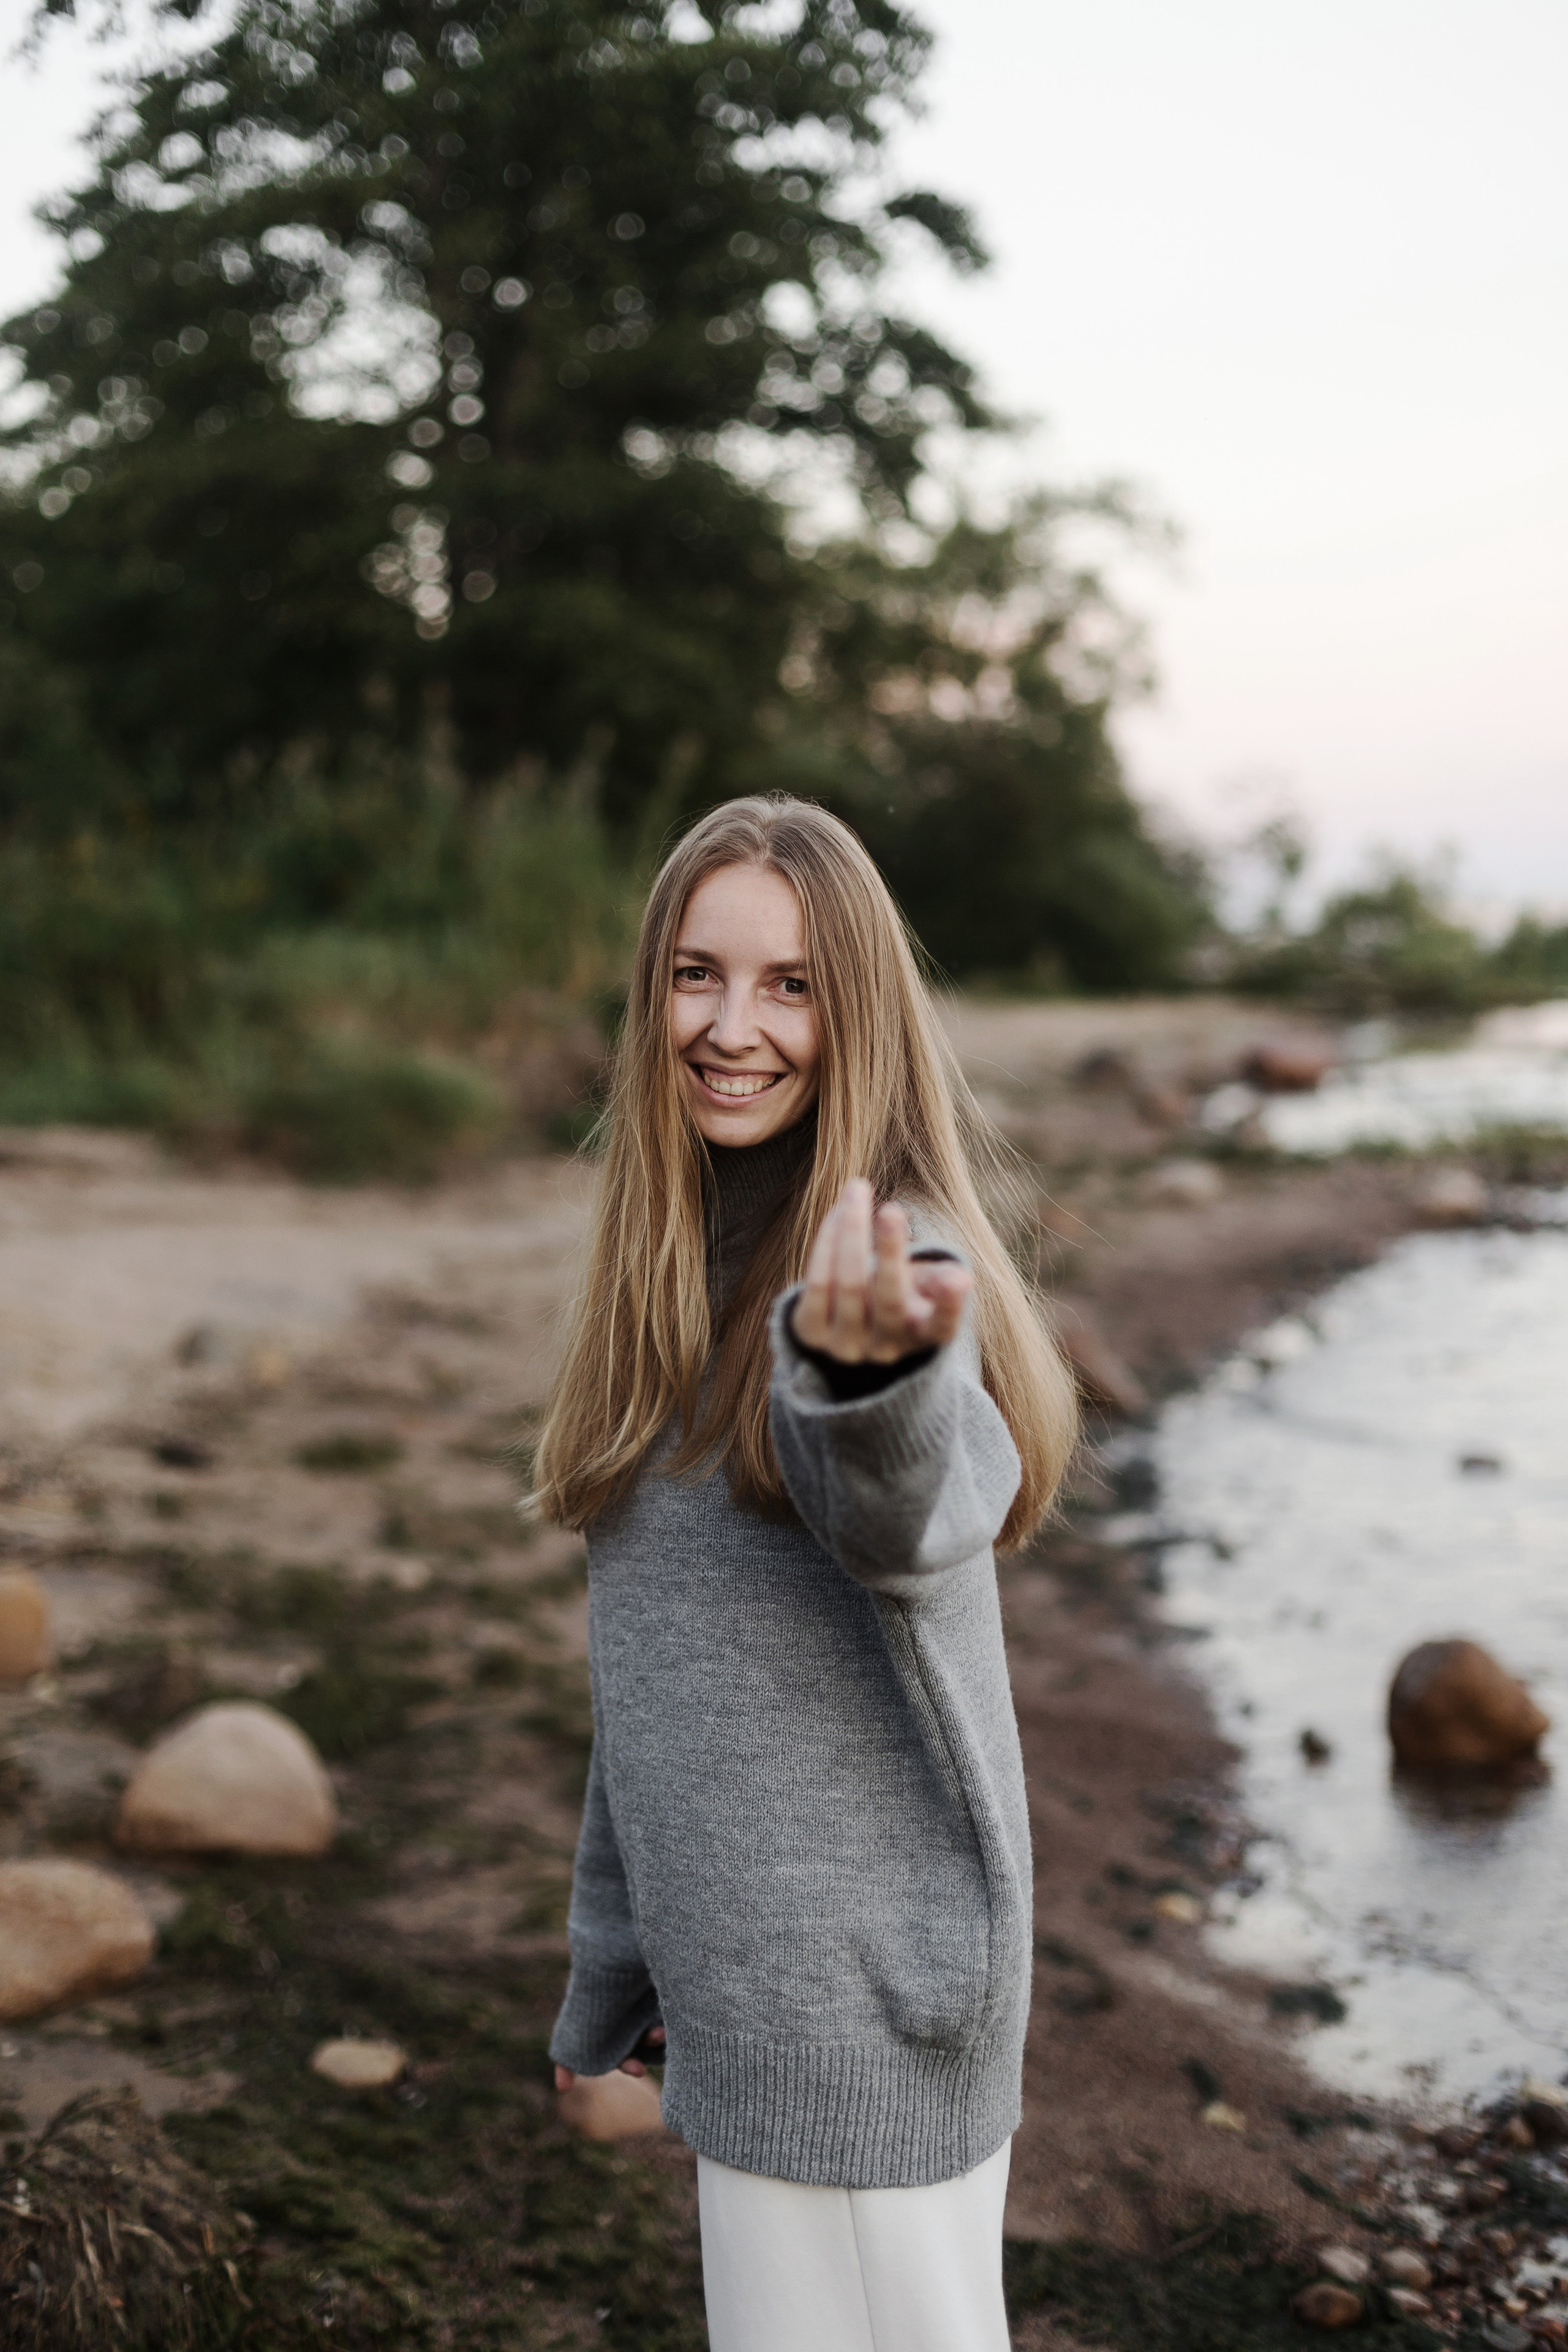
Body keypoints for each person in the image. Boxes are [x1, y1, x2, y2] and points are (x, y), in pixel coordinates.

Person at [535, 796, 1077, 2352]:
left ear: (859, 1015)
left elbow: (905, 1506)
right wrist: (609, 1978)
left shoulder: (889, 1268)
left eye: (788, 986)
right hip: (751, 2024)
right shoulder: (671, 1276)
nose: (729, 1026)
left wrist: (865, 1381)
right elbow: (651, 1693)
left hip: (866, 2029)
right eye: (696, 975)